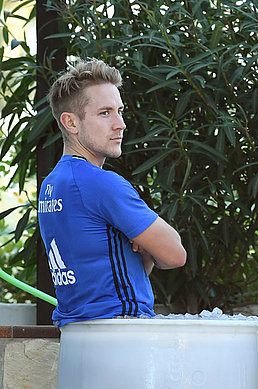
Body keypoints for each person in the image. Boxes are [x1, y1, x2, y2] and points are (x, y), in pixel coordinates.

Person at [38, 58, 187, 327]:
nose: (120, 124)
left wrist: (144, 250)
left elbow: (117, 270)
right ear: (71, 123)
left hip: (78, 335)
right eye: (105, 113)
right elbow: (175, 253)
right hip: (119, 333)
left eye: (120, 111)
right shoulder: (100, 183)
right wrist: (149, 245)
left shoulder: (51, 185)